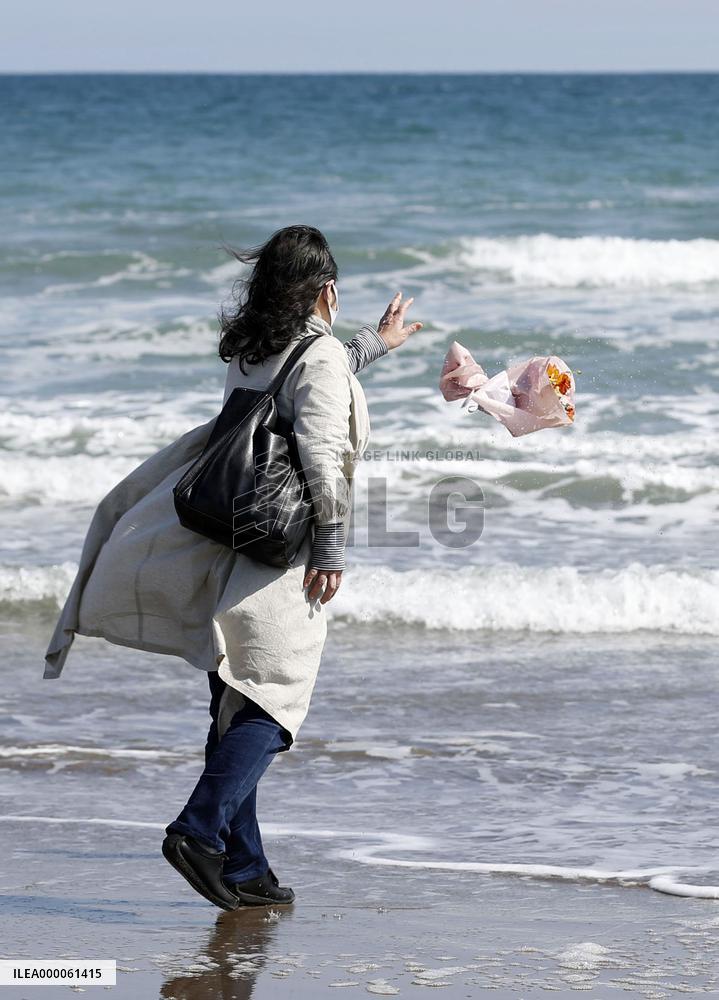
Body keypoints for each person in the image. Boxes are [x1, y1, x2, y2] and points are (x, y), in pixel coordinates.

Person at [43, 224, 422, 912]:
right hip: (281, 549)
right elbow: (321, 450)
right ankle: (197, 830)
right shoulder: (319, 357)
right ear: (326, 290)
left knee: (233, 696)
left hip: (226, 535)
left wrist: (374, 343)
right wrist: (331, 549)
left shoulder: (252, 347)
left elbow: (308, 373)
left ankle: (246, 867)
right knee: (272, 704)